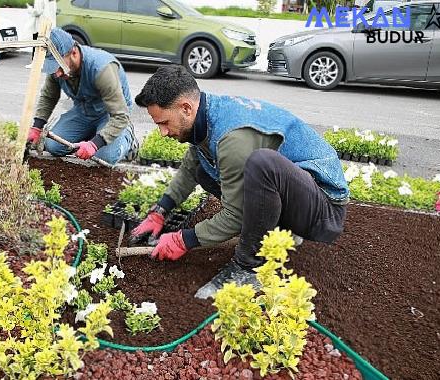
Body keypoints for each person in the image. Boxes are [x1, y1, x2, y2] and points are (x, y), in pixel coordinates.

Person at [129, 65, 349, 299]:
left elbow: (236, 215)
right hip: (298, 194)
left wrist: (185, 239)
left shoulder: (231, 137)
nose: (163, 132)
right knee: (204, 172)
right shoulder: (204, 116)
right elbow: (190, 168)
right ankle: (277, 229)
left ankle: (248, 268)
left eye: (164, 122)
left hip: (324, 211)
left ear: (186, 108)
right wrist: (160, 211)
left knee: (263, 164)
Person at [26, 28, 138, 165]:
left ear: (74, 52)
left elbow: (120, 115)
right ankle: (93, 134)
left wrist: (95, 144)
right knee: (53, 146)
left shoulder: (101, 69)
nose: (57, 74)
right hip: (84, 112)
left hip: (111, 115)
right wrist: (37, 127)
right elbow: (49, 97)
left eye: (59, 67)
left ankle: (128, 138)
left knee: (106, 157)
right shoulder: (58, 70)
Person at [24, 0, 57, 69]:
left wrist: (29, 9)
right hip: (48, 24)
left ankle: (35, 63)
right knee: (44, 45)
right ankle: (43, 63)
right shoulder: (52, 1)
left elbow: (37, 11)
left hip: (40, 25)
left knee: (36, 45)